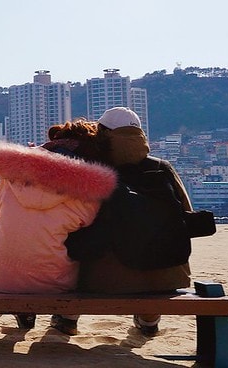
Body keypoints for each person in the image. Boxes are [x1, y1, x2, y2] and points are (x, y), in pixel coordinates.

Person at [0, 120, 117, 330]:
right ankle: (25, 311)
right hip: (51, 282)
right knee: (56, 256)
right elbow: (85, 229)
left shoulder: (14, 174)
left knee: (6, 251)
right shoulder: (87, 191)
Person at [65, 107, 193, 336]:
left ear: (102, 133)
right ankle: (149, 318)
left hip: (105, 280)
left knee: (79, 245)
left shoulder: (94, 168)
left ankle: (67, 317)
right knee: (153, 275)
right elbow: (187, 215)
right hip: (166, 276)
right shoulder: (161, 167)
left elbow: (71, 220)